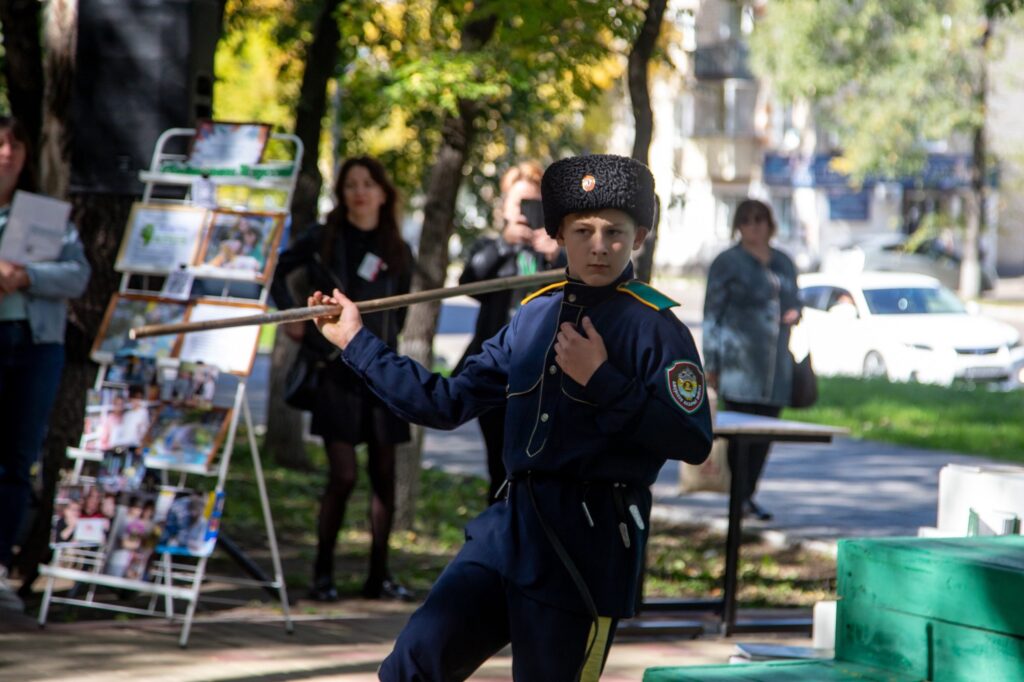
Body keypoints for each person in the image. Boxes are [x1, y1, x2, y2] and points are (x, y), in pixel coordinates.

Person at [308, 154, 712, 680]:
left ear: (638, 238)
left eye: (614, 232)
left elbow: (692, 439)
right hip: (509, 530)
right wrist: (356, 342)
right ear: (558, 235)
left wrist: (603, 381)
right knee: (409, 668)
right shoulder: (534, 315)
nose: (598, 245)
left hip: (585, 551)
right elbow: (446, 402)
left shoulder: (655, 327)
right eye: (582, 230)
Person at [271, 156, 415, 603]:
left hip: (381, 370)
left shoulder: (397, 247)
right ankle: (322, 575)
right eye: (351, 184)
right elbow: (278, 270)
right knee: (344, 475)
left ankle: (378, 577)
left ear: (383, 193)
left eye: (368, 183)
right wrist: (291, 316)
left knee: (384, 474)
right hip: (335, 370)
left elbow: (401, 312)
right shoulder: (323, 237)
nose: (360, 192)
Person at [0, 115, 91, 611]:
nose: (6, 154)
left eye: (14, 146)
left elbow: (77, 275)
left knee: (18, 459)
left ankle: (1, 564)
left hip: (36, 346)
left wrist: (27, 277)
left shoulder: (42, 214)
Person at [456, 161, 565, 502]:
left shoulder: (558, 251)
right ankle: (500, 527)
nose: (524, 214)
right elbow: (469, 283)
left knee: (536, 469)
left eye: (534, 205)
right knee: (500, 468)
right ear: (504, 207)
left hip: (543, 375)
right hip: (496, 372)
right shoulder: (490, 248)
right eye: (519, 204)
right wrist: (504, 245)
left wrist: (560, 256)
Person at [703, 198, 802, 522]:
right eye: (746, 220)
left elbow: (795, 299)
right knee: (739, 438)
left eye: (760, 219)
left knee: (764, 437)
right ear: (738, 225)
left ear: (770, 224)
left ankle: (747, 496)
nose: (754, 226)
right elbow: (712, 315)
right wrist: (712, 364)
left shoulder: (783, 262)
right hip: (739, 366)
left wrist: (795, 312)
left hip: (775, 370)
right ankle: (739, 498)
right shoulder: (727, 262)